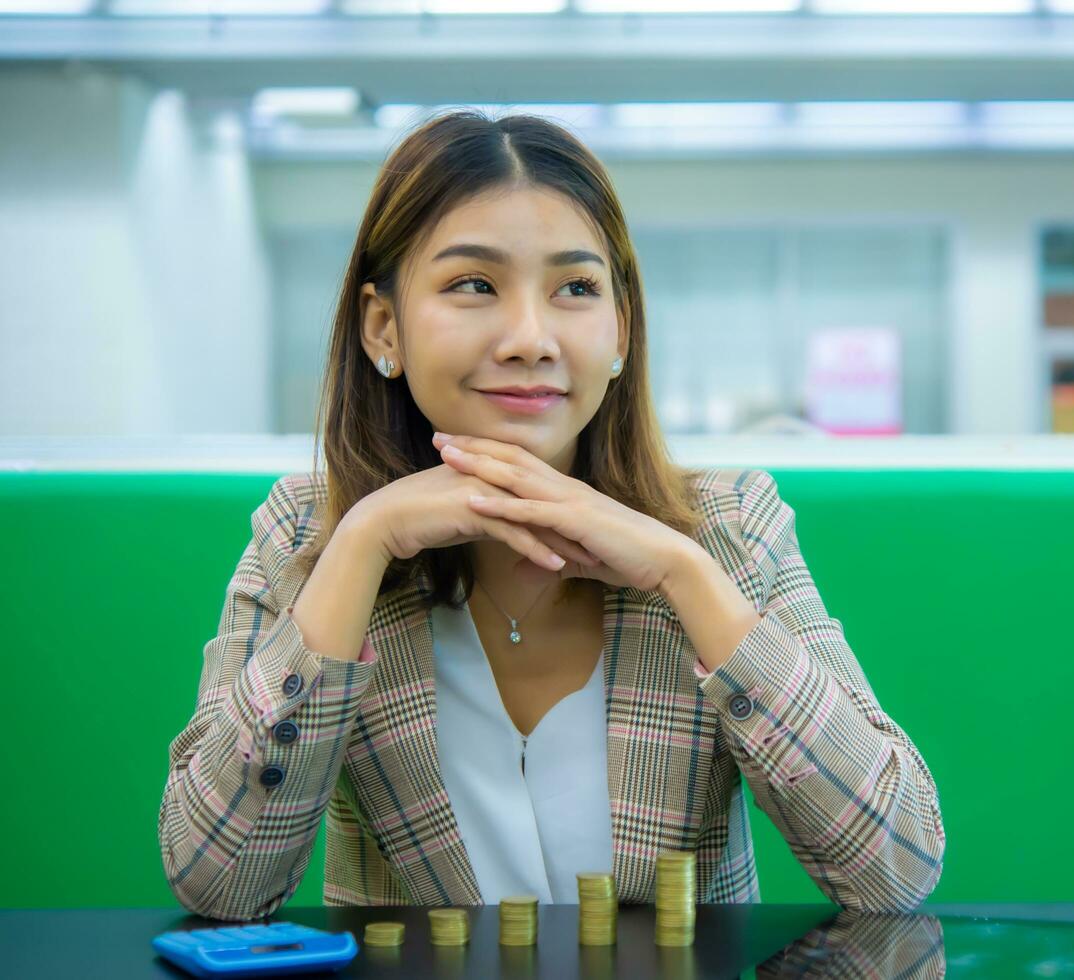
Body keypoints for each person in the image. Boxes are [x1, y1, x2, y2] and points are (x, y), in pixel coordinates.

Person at [158, 110, 944, 923]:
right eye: (473, 285)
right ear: (382, 327)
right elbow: (221, 885)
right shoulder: (304, 538)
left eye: (575, 288)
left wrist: (685, 575)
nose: (530, 338)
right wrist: (360, 547)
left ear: (620, 332)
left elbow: (898, 868)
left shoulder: (728, 528)